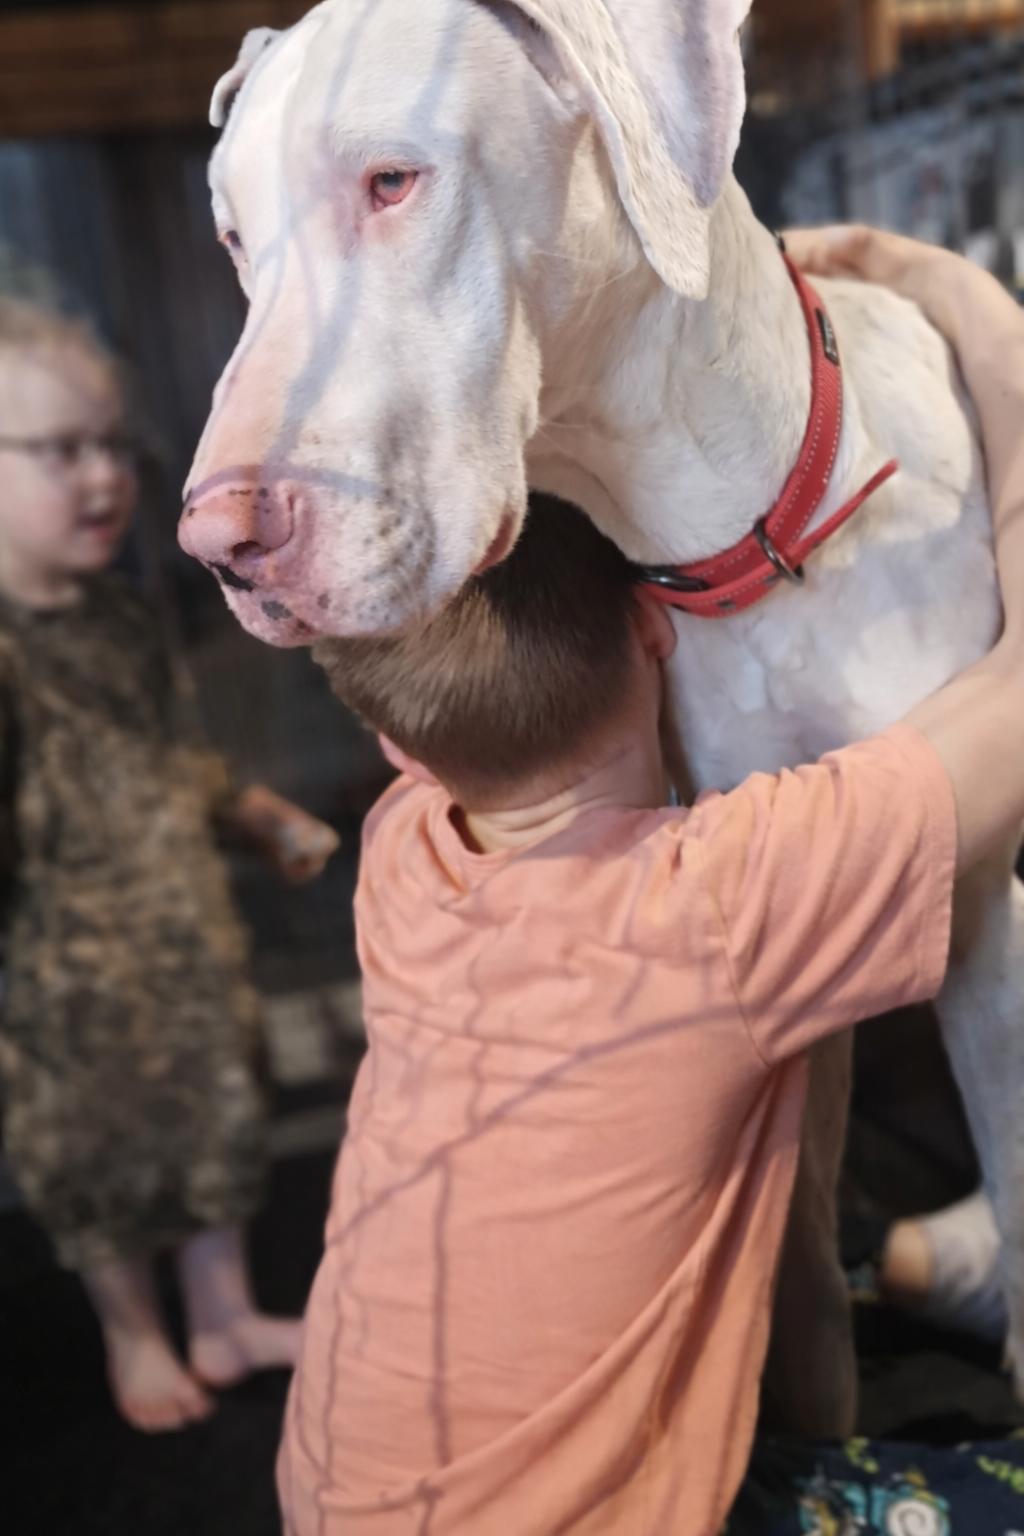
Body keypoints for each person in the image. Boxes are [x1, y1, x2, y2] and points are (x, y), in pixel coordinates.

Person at [278, 227, 1024, 1536]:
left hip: (336, 1500)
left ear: (396, 752)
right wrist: (962, 296)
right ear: (655, 627)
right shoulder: (722, 907)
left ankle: (924, 1261)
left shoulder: (404, 855)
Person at [0, 295, 339, 1433]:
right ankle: (134, 1333)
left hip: (185, 943)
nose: (103, 478)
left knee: (220, 1123)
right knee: (97, 1160)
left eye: (114, 447)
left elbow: (177, 757)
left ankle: (224, 1314)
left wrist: (249, 811)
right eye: (60, 451)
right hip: (66, 985)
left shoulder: (125, 619)